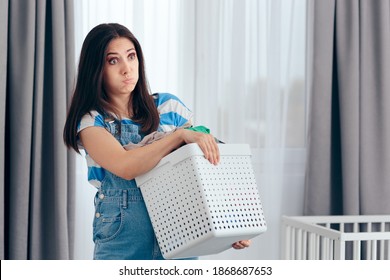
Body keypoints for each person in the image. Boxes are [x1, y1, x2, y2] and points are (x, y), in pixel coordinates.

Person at [63, 23, 251, 260]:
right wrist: (179, 136)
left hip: (181, 233)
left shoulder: (169, 107)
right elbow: (126, 166)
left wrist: (231, 223)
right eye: (113, 61)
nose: (126, 69)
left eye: (131, 57)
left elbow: (204, 170)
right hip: (122, 239)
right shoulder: (92, 121)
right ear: (95, 69)